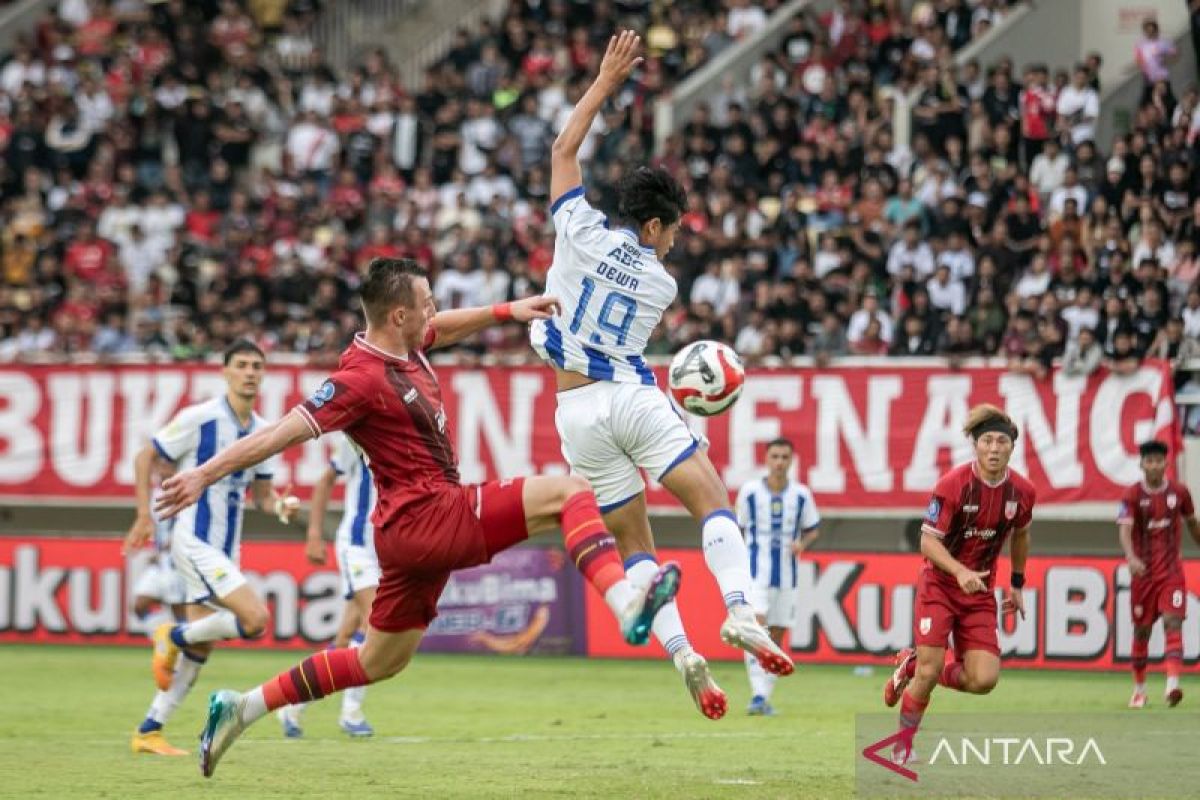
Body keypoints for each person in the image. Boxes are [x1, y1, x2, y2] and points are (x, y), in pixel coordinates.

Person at [154, 258, 680, 778]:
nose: (435, 313)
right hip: (430, 515)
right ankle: (626, 601)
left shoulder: (405, 344)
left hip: (404, 533)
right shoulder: (358, 378)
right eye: (426, 306)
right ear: (398, 317)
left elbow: (444, 329)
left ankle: (240, 708)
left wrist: (506, 310)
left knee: (377, 662)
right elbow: (278, 434)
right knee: (571, 492)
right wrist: (204, 474)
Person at [528, 30, 793, 721]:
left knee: (634, 547)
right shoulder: (660, 284)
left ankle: (683, 656)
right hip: (628, 396)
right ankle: (739, 612)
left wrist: (606, 81)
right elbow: (632, 358)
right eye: (671, 229)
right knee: (711, 501)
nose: (675, 239)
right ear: (652, 229)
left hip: (574, 414)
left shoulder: (577, 229)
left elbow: (562, 150)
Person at [124, 340, 300, 757]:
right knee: (255, 619)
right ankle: (173, 634)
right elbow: (144, 457)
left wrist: (280, 505)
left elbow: (262, 496)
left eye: (257, 365)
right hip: (194, 540)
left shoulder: (265, 431)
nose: (250, 372)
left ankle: (149, 730)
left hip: (224, 547)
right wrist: (143, 516)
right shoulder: (199, 418)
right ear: (225, 371)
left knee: (202, 648)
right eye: (241, 365)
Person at [880, 404, 1036, 763]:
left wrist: (1016, 582)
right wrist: (959, 571)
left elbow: (1022, 536)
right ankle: (902, 745)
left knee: (984, 680)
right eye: (987, 441)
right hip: (940, 584)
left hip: (979, 591)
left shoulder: (1023, 492)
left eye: (1001, 441)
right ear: (976, 446)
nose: (994, 448)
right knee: (931, 671)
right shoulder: (952, 485)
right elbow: (927, 542)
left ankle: (912, 664)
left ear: (1013, 447)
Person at [277, 433, 380, 738]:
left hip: (386, 550)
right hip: (357, 545)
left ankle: (293, 705)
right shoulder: (357, 439)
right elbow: (325, 481)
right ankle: (351, 711)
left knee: (346, 636)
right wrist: (313, 534)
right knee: (375, 622)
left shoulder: (411, 441)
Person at [735, 439, 820, 716]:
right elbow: (739, 528)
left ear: (791, 460)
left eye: (785, 456)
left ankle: (764, 696)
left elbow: (812, 528)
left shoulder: (801, 495)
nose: (779, 462)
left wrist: (802, 545)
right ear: (766, 458)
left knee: (778, 634)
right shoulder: (749, 492)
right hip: (755, 574)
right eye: (775, 456)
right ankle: (757, 693)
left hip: (787, 577)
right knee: (757, 629)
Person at [1118, 440, 1200, 709]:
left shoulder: (1180, 492)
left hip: (1172, 573)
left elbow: (1192, 523)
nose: (1153, 465)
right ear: (1142, 464)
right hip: (1143, 577)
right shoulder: (1132, 496)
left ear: (1166, 463)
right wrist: (1131, 557)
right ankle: (1139, 690)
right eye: (1149, 461)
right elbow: (1125, 529)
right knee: (1141, 633)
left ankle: (1172, 686)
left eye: (1158, 460)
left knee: (1173, 624)